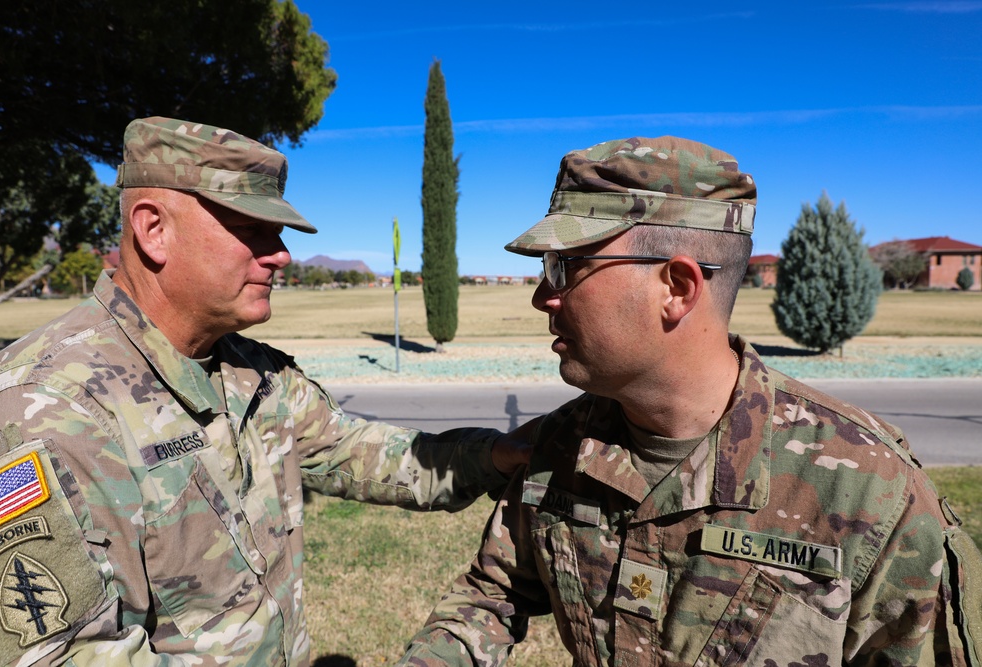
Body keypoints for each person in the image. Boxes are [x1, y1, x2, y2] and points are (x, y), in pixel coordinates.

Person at [399, 136, 981, 666]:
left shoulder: (874, 493)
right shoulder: (560, 446)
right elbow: (495, 593)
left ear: (676, 289)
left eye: (566, 266)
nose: (541, 297)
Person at [0, 116, 528, 666]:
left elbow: (359, 453)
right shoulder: (46, 411)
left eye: (279, 232)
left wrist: (498, 455)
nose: (281, 254)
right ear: (154, 230)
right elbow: (68, 654)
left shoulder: (249, 368)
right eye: (252, 230)